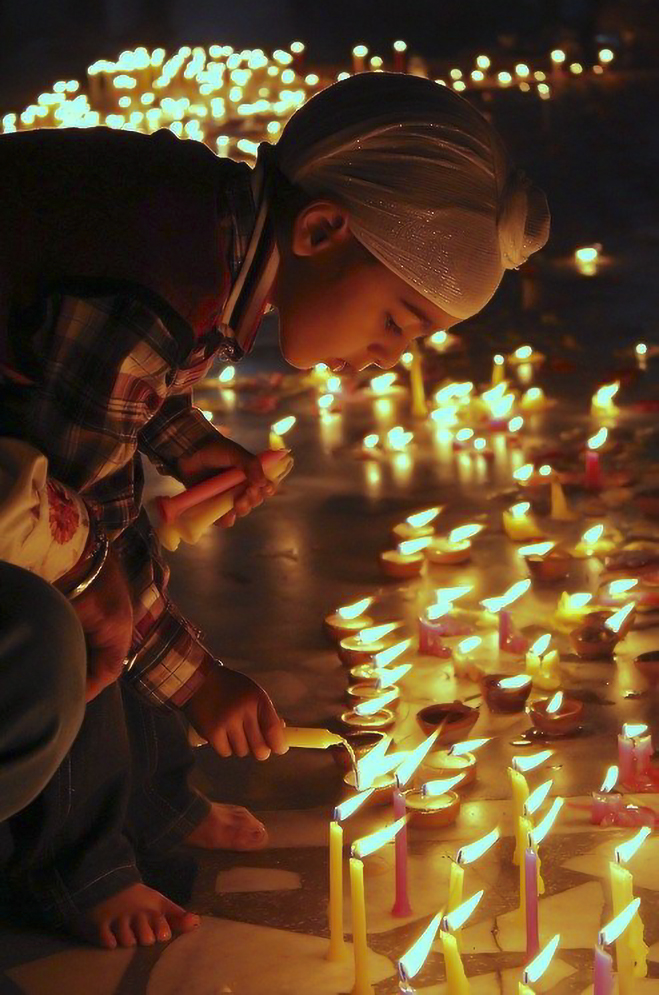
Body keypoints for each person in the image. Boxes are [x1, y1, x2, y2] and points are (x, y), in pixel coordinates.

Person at [0, 71, 549, 949]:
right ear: (322, 230)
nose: (384, 358)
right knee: (87, 613)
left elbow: (98, 375)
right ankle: (74, 862)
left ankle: (152, 800)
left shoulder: (208, 231)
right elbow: (75, 533)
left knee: (130, 557)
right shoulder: (157, 286)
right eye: (396, 322)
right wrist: (199, 683)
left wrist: (184, 441)